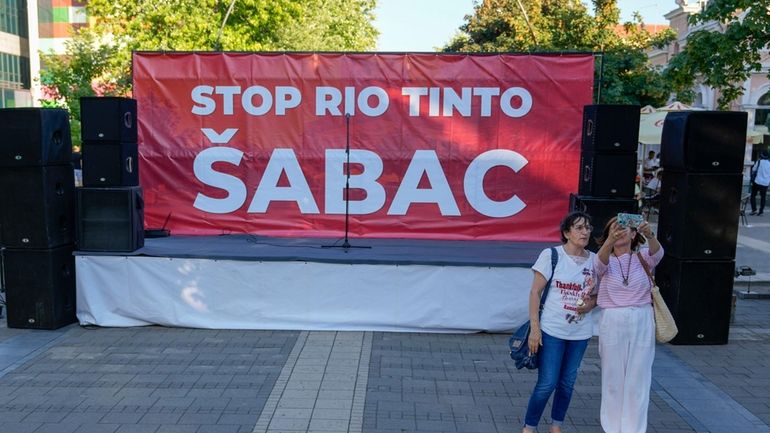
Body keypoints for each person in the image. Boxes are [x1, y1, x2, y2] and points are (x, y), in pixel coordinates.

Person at [522, 211, 598, 433]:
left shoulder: (595, 260)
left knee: (567, 383)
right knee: (547, 383)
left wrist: (590, 305)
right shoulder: (551, 255)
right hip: (552, 330)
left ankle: (556, 425)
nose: (585, 232)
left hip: (580, 333)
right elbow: (535, 293)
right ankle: (529, 427)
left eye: (588, 227)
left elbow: (598, 295)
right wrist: (534, 330)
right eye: (579, 227)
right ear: (567, 233)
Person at [594, 216, 663, 433]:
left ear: (634, 234)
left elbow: (658, 253)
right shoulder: (605, 258)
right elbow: (598, 265)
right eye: (614, 228)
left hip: (642, 317)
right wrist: (609, 241)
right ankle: (612, 428)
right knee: (613, 376)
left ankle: (634, 428)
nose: (620, 231)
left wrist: (649, 234)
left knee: (639, 376)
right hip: (613, 318)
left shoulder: (643, 257)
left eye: (625, 229)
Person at [750, 150, 770, 215]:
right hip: (765, 183)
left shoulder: (759, 162)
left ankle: (754, 210)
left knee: (753, 195)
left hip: (757, 182)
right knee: (763, 197)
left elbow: (753, 169)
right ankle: (761, 211)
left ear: (761, 155)